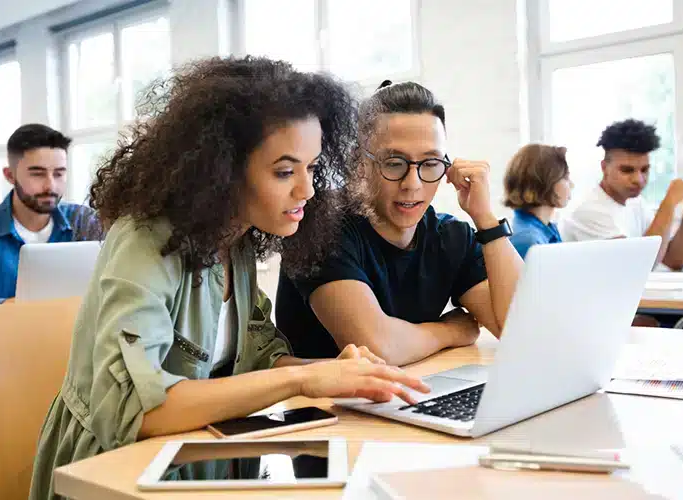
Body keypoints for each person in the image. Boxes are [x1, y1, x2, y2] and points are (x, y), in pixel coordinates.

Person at [29, 57, 429, 500]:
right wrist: (302, 381)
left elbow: (259, 361)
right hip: (111, 473)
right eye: (284, 171)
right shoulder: (145, 241)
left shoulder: (235, 241)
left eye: (312, 168)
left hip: (197, 459)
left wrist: (339, 373)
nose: (308, 190)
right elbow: (135, 411)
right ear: (221, 170)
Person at [275, 81, 523, 366]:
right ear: (359, 163)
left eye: (430, 163)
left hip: (411, 394)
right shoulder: (320, 225)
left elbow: (522, 330)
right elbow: (378, 347)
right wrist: (451, 330)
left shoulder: (451, 237)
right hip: (324, 407)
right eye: (394, 163)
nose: (412, 184)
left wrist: (486, 220)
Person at [561, 119, 683, 270]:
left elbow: (673, 260)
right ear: (605, 168)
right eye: (627, 170)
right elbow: (640, 265)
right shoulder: (591, 211)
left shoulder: (636, 202)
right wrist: (669, 202)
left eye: (644, 170)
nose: (639, 180)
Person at [0, 124, 102, 304]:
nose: (51, 186)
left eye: (59, 174)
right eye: (37, 174)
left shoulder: (85, 222)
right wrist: (9, 305)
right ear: (10, 175)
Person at [503, 143, 572, 259]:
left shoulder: (546, 228)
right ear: (546, 182)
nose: (571, 184)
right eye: (565, 177)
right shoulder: (528, 240)